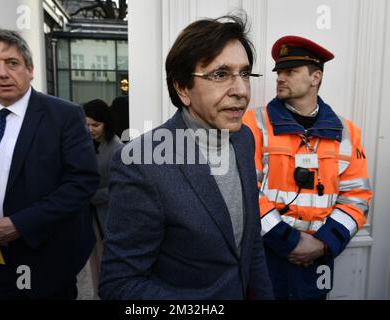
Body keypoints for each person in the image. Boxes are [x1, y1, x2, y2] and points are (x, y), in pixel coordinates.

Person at [99, 15, 273, 300]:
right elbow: (119, 286)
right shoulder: (142, 162)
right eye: (221, 74)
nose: (241, 90)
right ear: (182, 88)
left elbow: (251, 241)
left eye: (244, 73)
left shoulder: (244, 139)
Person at [0, 29, 99, 299]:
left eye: (13, 63)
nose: (3, 73)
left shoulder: (64, 115)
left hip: (43, 257)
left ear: (30, 69)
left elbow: (82, 184)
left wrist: (18, 225)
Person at [242, 35, 373, 299]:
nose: (280, 77)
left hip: (318, 260)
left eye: (290, 71)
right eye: (279, 71)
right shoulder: (253, 123)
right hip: (266, 254)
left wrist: (323, 243)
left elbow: (356, 198)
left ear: (315, 78)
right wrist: (291, 242)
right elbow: (246, 191)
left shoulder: (347, 132)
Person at [82, 99, 123, 296]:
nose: (90, 129)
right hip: (89, 217)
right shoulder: (85, 144)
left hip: (107, 217)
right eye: (87, 124)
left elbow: (119, 188)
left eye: (95, 125)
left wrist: (88, 196)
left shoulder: (117, 148)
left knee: (107, 263)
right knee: (94, 263)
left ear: (106, 123)